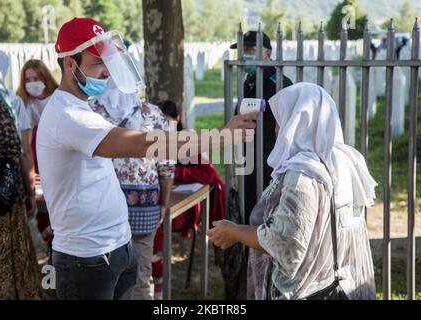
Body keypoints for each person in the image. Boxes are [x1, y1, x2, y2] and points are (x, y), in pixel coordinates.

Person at [36, 17, 257, 300]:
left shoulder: (83, 107)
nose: (107, 73)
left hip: (115, 246)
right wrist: (220, 137)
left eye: (109, 63)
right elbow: (144, 144)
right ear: (70, 64)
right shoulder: (68, 116)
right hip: (86, 259)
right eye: (98, 63)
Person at [207, 83, 377, 300]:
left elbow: (287, 245)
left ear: (299, 121)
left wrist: (233, 231)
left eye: (281, 120)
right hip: (347, 283)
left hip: (310, 289)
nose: (277, 129)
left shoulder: (303, 174)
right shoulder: (346, 159)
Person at [88, 87, 175, 300]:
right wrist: (163, 203)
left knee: (103, 275)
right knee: (141, 274)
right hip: (144, 206)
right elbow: (166, 167)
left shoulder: (91, 111)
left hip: (101, 205)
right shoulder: (153, 114)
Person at [0, 53, 41, 299]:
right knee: (4, 263)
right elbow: (20, 152)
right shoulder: (4, 100)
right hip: (0, 197)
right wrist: (30, 192)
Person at [153, 100, 226, 298]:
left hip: (189, 205)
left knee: (155, 223)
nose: (164, 128)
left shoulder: (189, 140)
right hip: (165, 201)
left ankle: (158, 285)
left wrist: (172, 172)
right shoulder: (152, 141)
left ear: (177, 120)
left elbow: (207, 175)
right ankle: (148, 276)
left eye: (167, 122)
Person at [230, 30, 293, 224]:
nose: (243, 54)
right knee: (248, 214)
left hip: (269, 165)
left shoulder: (280, 84)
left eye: (249, 49)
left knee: (266, 218)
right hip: (247, 160)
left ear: (267, 54)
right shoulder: (248, 81)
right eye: (241, 49)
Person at [16, 59, 59, 258]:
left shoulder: (58, 98)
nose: (32, 83)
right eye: (28, 79)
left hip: (58, 156)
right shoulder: (24, 103)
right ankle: (51, 252)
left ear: (44, 77)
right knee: (44, 209)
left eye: (36, 78)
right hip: (37, 158)